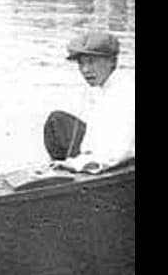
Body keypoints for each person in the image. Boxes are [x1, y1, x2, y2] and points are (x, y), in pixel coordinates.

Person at [45, 30, 134, 173]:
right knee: (57, 121)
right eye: (81, 63)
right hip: (108, 152)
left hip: (124, 166)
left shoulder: (125, 94)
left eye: (91, 62)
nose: (85, 70)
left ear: (112, 61)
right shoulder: (102, 86)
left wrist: (76, 165)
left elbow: (117, 153)